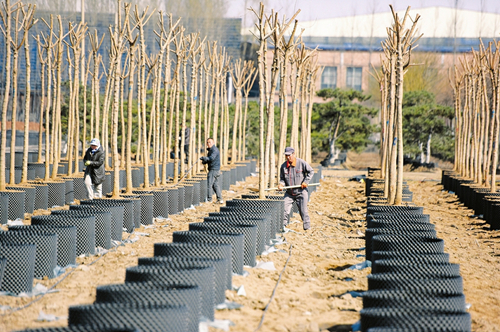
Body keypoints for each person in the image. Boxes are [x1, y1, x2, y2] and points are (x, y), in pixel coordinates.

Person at [277, 147, 314, 230]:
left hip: (301, 192)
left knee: (303, 211)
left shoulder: (301, 163)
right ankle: (283, 227)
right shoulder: (283, 166)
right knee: (284, 210)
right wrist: (281, 185)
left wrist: (306, 182)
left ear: (293, 154)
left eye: (289, 155)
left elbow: (311, 171)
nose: (287, 157)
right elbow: (282, 178)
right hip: (289, 193)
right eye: (286, 155)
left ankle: (307, 228)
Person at [200, 138, 223, 204]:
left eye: (210, 142)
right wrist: (205, 161)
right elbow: (210, 159)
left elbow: (212, 158)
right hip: (214, 169)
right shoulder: (211, 150)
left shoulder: (214, 150)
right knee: (215, 185)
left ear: (213, 143)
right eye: (207, 142)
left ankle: (209, 200)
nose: (208, 144)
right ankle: (220, 199)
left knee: (209, 184)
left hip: (214, 170)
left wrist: (206, 158)